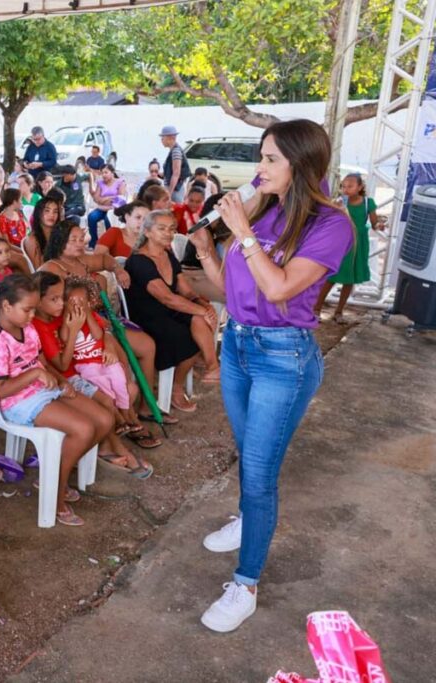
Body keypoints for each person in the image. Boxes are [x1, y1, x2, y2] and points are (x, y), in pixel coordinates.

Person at [188, 119, 353, 632]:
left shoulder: (331, 224)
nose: (258, 168)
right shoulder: (267, 209)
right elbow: (234, 288)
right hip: (238, 345)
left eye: (269, 159)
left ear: (300, 165)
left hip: (283, 358)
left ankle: (246, 584)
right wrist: (207, 250)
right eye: (260, 157)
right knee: (248, 455)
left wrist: (242, 232)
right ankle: (249, 519)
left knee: (260, 474)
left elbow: (279, 289)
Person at [0, 274, 117, 525]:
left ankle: (53, 477)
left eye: (34, 309)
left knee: (105, 419)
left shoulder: (27, 328)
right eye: (27, 310)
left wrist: (62, 381)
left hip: (43, 388)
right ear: (6, 306)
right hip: (17, 402)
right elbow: (0, 390)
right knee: (84, 429)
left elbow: (41, 361)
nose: (32, 315)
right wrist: (35, 374)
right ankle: (56, 495)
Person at [33, 272, 159, 450]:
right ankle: (118, 433)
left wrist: (107, 344)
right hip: (75, 374)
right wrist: (74, 329)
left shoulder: (63, 312)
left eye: (62, 298)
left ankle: (127, 419)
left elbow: (103, 329)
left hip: (90, 367)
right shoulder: (49, 322)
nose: (62, 303)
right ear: (38, 301)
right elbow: (61, 364)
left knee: (129, 387)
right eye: (58, 299)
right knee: (108, 399)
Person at [125, 209, 220, 414]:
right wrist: (201, 310)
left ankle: (211, 368)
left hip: (169, 310)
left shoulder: (167, 254)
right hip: (147, 317)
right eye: (162, 229)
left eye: (172, 229)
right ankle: (179, 386)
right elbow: (166, 298)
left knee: (200, 321)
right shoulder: (139, 260)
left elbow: (185, 290)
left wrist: (202, 304)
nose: (168, 233)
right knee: (187, 335)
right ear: (147, 232)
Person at [314, 173, 384, 323]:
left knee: (349, 279)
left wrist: (380, 225)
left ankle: (339, 312)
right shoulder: (340, 202)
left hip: (359, 245)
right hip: (341, 243)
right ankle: (316, 309)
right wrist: (336, 208)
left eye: (350, 186)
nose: (346, 189)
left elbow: (374, 224)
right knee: (331, 276)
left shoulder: (368, 203)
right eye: (343, 186)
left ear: (360, 187)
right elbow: (329, 221)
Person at [87, 164, 128, 244]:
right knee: (91, 217)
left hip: (114, 210)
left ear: (112, 173)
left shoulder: (120, 182)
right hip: (102, 209)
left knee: (108, 219)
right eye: (102, 173)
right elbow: (96, 199)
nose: (103, 175)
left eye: (106, 172)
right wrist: (109, 198)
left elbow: (120, 200)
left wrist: (103, 200)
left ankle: (109, 243)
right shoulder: (100, 183)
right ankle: (93, 242)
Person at [159, 125, 191, 203]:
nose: (161, 140)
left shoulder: (176, 151)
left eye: (163, 137)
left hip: (175, 190)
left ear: (170, 138)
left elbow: (176, 173)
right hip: (174, 189)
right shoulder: (174, 151)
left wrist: (169, 192)